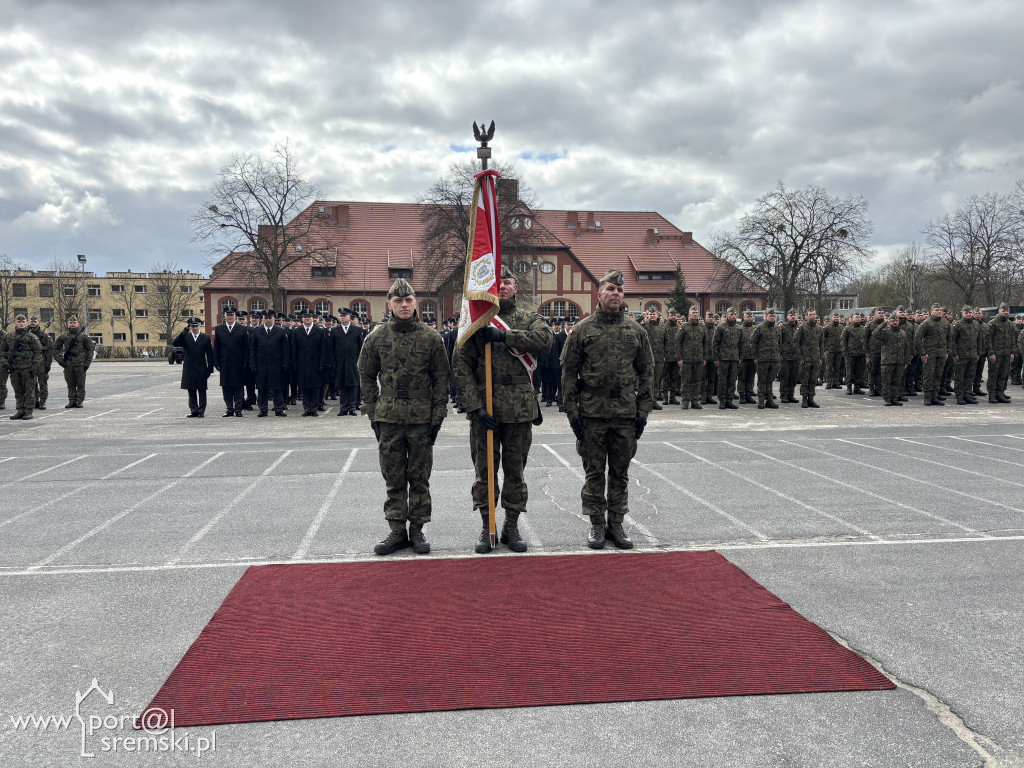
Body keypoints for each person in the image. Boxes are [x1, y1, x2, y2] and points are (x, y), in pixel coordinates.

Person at [453, 265, 553, 554]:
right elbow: (461, 368)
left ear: (515, 288)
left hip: (520, 409)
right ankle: (488, 526)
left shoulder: (528, 318)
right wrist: (474, 407)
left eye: (508, 282)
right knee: (485, 473)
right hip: (485, 410)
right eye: (499, 283)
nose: (504, 287)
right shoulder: (477, 321)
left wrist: (505, 337)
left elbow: (546, 342)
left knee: (515, 471)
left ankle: (511, 525)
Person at [560, 270, 654, 550]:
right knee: (594, 471)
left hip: (625, 413)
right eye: (611, 289)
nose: (616, 294)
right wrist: (572, 413)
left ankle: (616, 523)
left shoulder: (636, 331)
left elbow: (647, 373)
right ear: (599, 294)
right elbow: (568, 373)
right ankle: (597, 524)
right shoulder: (583, 330)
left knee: (621, 472)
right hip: (592, 414)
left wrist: (643, 412)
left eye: (620, 291)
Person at [358, 278, 449, 556]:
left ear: (415, 303)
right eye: (398, 301)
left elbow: (441, 379)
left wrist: (438, 416)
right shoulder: (376, 337)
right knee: (394, 476)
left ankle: (418, 529)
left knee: (419, 476)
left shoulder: (431, 338)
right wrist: (373, 413)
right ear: (390, 305)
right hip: (389, 418)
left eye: (408, 300)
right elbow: (366, 375)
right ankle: (397, 530)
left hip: (421, 418)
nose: (404, 305)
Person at [0, 314, 43, 420]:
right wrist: (4, 362)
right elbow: (2, 351)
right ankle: (20, 410)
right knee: (18, 391)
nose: (21, 324)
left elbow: (38, 353)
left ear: (26, 323)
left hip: (28, 368)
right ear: (15, 323)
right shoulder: (9, 336)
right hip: (14, 368)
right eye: (19, 322)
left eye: (23, 322)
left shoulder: (32, 337)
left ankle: (28, 411)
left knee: (29, 390)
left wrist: (34, 367)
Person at [249, 310, 290, 416]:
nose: (268, 320)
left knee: (277, 388)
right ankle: (263, 409)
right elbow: (253, 349)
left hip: (276, 364)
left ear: (273, 319)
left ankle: (279, 409)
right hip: (261, 364)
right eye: (266, 318)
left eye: (270, 318)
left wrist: (285, 364)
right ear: (263, 319)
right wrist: (252, 364)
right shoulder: (257, 331)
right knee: (262, 388)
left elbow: (285, 350)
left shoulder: (280, 331)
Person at [291, 310, 331, 416]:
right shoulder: (297, 331)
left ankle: (314, 409)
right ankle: (306, 408)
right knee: (304, 386)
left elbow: (324, 349)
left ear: (313, 318)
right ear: (302, 318)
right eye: (305, 317)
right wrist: (294, 363)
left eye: (309, 316)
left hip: (316, 363)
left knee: (315, 386)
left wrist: (323, 363)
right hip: (302, 363)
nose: (307, 318)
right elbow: (294, 349)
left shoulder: (320, 331)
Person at [173, 318, 215, 417]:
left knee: (202, 390)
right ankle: (194, 410)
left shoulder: (205, 337)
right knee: (191, 389)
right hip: (189, 367)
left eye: (196, 326)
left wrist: (210, 368)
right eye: (193, 326)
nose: (195, 328)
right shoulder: (186, 337)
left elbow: (209, 354)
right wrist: (183, 333)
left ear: (200, 326)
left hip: (201, 367)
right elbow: (175, 343)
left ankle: (201, 411)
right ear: (190, 327)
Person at [52, 316, 95, 408]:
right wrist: (60, 362)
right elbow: (55, 349)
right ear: (68, 324)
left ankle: (79, 401)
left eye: (74, 322)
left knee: (80, 384)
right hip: (68, 364)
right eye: (70, 322)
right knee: (70, 384)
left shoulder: (83, 336)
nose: (72, 324)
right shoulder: (63, 336)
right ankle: (71, 400)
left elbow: (90, 350)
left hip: (80, 364)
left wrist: (87, 364)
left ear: (78, 324)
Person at [213, 306, 249, 417]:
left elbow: (246, 347)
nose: (230, 317)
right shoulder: (219, 329)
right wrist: (216, 362)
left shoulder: (242, 329)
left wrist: (246, 361)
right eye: (228, 315)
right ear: (225, 316)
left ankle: (238, 409)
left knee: (238, 387)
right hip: (225, 363)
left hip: (238, 363)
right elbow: (217, 347)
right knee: (226, 387)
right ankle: (229, 409)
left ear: (235, 316)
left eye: (232, 315)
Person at [329, 308, 363, 416]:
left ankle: (352, 407)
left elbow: (361, 347)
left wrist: (360, 361)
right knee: (342, 385)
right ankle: (343, 407)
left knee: (353, 384)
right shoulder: (335, 330)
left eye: (344, 316)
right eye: (341, 316)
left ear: (349, 317)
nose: (342, 317)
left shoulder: (356, 330)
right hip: (340, 362)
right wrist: (333, 362)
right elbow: (331, 348)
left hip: (353, 362)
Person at [675, 306, 706, 410]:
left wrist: (704, 357)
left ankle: (695, 401)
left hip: (698, 359)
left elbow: (705, 343)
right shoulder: (684, 327)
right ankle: (685, 401)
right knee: (686, 381)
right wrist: (679, 358)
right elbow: (678, 343)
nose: (695, 314)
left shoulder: (702, 327)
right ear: (689, 315)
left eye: (696, 312)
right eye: (693, 313)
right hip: (686, 359)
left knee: (697, 381)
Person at [750, 308, 781, 409]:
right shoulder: (760, 328)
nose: (772, 318)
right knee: (762, 380)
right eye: (770, 316)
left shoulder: (777, 328)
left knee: (770, 380)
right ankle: (761, 400)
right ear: (765, 316)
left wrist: (779, 354)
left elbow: (780, 343)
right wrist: (755, 357)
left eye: (773, 316)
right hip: (763, 358)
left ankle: (770, 400)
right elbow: (753, 343)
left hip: (774, 358)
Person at [712, 307, 742, 409]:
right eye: (731, 314)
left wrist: (740, 357)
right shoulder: (721, 327)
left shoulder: (739, 328)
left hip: (734, 358)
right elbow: (715, 344)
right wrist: (715, 358)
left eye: (734, 314)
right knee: (722, 380)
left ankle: (729, 400)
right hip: (723, 358)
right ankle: (722, 400)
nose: (733, 316)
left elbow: (741, 344)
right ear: (727, 315)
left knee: (732, 380)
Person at [795, 309, 824, 408]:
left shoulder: (820, 328)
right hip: (805, 358)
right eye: (810, 315)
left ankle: (811, 398)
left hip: (815, 358)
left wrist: (821, 357)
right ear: (807, 316)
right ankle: (804, 399)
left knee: (813, 380)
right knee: (805, 380)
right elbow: (796, 343)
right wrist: (800, 357)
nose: (812, 316)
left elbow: (821, 344)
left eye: (814, 314)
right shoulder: (802, 327)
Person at [987, 302, 1016, 403]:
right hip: (996, 354)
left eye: (1007, 311)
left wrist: (1012, 353)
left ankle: (1000, 393)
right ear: (999, 311)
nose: (1006, 312)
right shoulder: (993, 323)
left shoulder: (1010, 324)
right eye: (1004, 311)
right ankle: (992, 395)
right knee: (993, 375)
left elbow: (1012, 339)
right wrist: (991, 353)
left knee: (1003, 374)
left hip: (1006, 354)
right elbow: (988, 339)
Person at [28, 317, 53, 410]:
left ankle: (43, 401)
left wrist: (48, 364)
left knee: (43, 383)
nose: (33, 323)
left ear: (39, 323)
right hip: (31, 362)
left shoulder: (44, 336)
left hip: (42, 363)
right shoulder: (27, 334)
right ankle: (35, 401)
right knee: (32, 383)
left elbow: (50, 350)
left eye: (35, 321)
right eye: (31, 321)